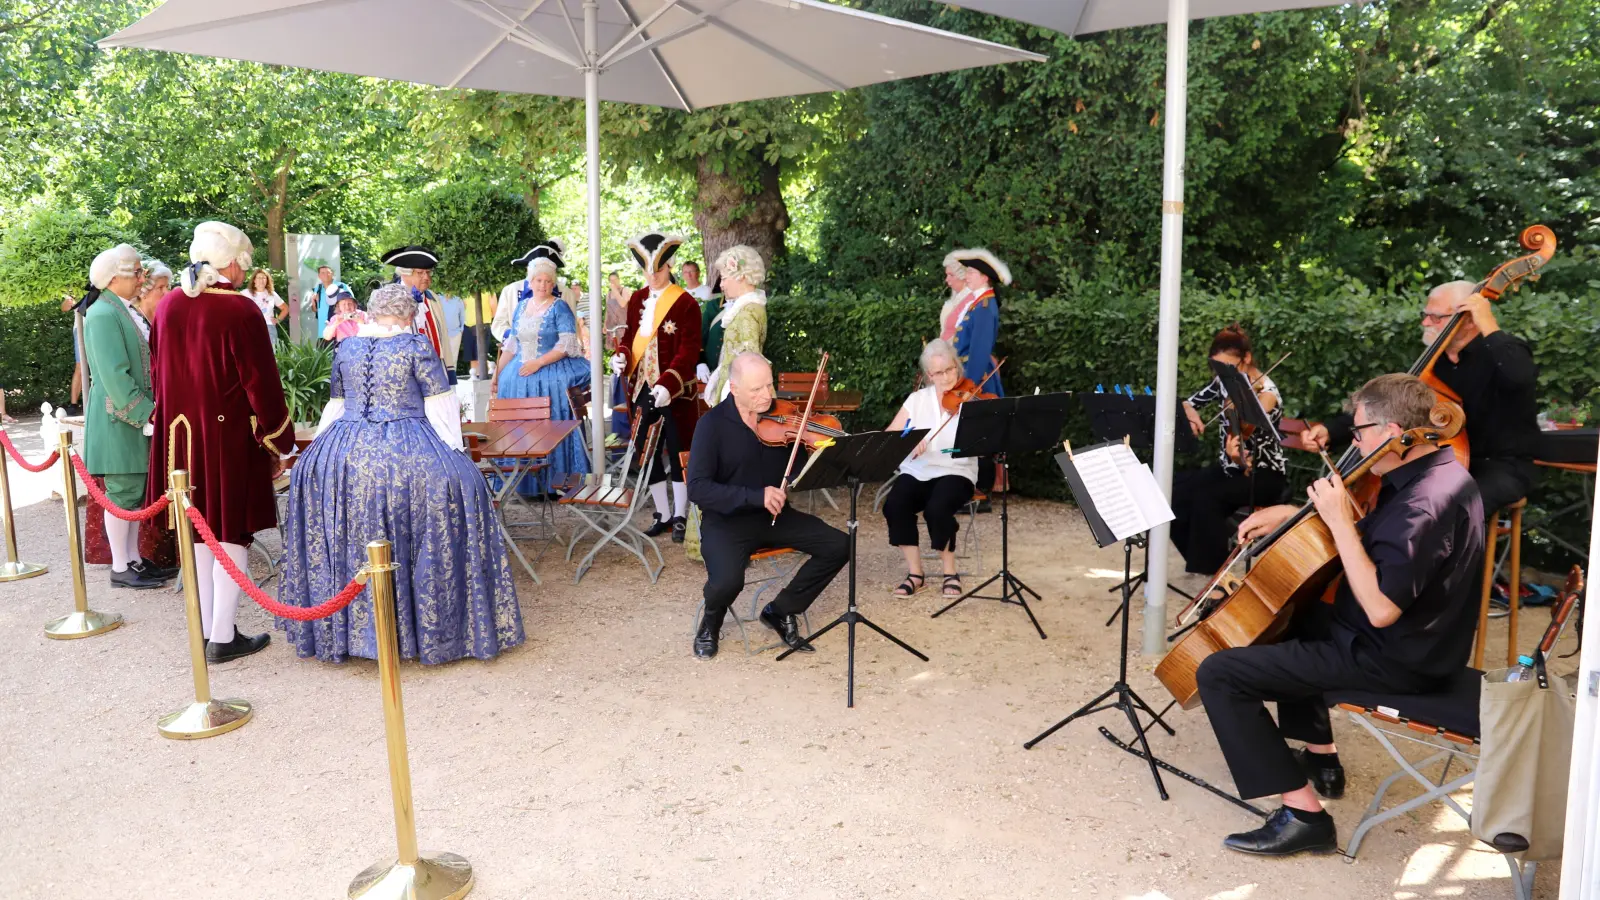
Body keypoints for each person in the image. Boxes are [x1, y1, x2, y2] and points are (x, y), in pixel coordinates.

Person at [1195, 373, 1484, 857]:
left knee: (1220, 674)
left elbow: (1381, 607)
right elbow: (1375, 536)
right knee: (1299, 614)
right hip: (1418, 644)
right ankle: (1322, 757)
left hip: (1396, 659)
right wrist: (1292, 512)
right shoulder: (1435, 472)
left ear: (1392, 432)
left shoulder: (1424, 504)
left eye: (1360, 431)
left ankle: (1305, 815)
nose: (1354, 442)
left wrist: (1335, 520)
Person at [278, 284, 524, 664]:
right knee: (462, 490)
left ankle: (348, 631)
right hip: (407, 445)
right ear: (410, 316)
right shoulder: (417, 347)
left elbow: (337, 405)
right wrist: (457, 456)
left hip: (344, 450)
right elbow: (442, 409)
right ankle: (429, 629)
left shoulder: (347, 347)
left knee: (348, 523)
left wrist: (319, 450)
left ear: (373, 313)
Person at [147, 221, 292, 664]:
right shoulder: (240, 310)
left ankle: (212, 627)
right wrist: (280, 437)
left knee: (196, 532)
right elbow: (261, 384)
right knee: (231, 532)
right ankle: (224, 635)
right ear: (232, 262)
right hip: (227, 437)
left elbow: (158, 373)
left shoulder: (169, 304)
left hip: (179, 436)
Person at [1301, 281, 1540, 519]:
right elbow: (1388, 407)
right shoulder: (1431, 366)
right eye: (1425, 315)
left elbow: (1520, 377)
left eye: (1436, 317)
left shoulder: (1502, 353)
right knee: (1395, 500)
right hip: (1441, 463)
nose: (1425, 323)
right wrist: (1331, 431)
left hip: (1499, 466)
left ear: (1468, 320)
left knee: (1449, 509)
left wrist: (1488, 323)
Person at [687, 352, 849, 659]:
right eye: (756, 390)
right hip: (727, 521)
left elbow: (799, 463)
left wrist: (820, 449)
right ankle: (711, 621)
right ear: (734, 388)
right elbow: (698, 488)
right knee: (727, 582)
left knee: (839, 545)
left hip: (775, 516)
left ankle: (781, 610)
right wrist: (755, 495)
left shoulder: (783, 417)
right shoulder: (712, 426)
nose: (767, 396)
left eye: (769, 386)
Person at [78, 243, 173, 589]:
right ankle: (121, 565)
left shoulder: (117, 309)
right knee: (121, 492)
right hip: (120, 420)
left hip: (128, 420)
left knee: (132, 493)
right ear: (114, 278)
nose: (141, 278)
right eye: (134, 273)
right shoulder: (103, 313)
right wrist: (148, 415)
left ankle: (132, 558)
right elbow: (115, 377)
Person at [1171, 325, 1287, 577]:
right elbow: (1187, 403)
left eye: (1229, 367)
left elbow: (1245, 436)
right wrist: (1191, 414)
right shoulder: (1225, 382)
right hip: (1229, 469)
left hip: (1262, 473)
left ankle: (1216, 575)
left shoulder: (1267, 394)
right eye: (1219, 368)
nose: (1223, 374)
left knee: (1206, 497)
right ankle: (1203, 560)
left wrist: (1239, 452)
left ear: (1246, 359)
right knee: (1173, 490)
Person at [611, 232, 702, 543]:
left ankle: (680, 513)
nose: (652, 276)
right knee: (645, 453)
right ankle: (662, 513)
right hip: (642, 389)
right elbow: (629, 340)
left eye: (659, 271)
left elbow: (688, 351)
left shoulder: (686, 302)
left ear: (669, 267)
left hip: (675, 391)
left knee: (678, 452)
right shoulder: (636, 299)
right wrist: (621, 357)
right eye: (647, 271)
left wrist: (668, 382)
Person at [684, 245, 769, 561]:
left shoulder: (748, 312)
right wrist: (719, 372)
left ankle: (727, 541)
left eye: (725, 276)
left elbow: (749, 364)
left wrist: (732, 399)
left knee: (724, 470)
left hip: (736, 401)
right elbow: (735, 356)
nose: (720, 284)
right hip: (728, 392)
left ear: (742, 276)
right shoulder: (745, 308)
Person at [491, 245, 592, 495]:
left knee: (552, 424)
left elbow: (567, 344)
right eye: (538, 280)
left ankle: (555, 480)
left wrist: (538, 363)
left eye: (548, 281)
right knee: (520, 427)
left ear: (553, 283)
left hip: (549, 371)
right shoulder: (521, 307)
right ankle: (524, 483)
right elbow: (512, 343)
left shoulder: (559, 307)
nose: (543, 284)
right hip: (518, 375)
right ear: (531, 281)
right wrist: (497, 374)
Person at [882, 340, 978, 599]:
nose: (946, 377)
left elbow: (983, 440)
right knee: (895, 505)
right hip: (919, 469)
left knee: (938, 508)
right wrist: (910, 441)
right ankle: (916, 574)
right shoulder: (917, 400)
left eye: (949, 370)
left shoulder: (970, 399)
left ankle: (950, 573)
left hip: (956, 469)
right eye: (938, 373)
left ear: (957, 367)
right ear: (929, 375)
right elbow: (890, 435)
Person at [946, 248, 1009, 508]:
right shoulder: (977, 301)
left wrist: (968, 386)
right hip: (968, 376)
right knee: (973, 435)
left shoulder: (985, 305)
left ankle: (980, 494)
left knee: (978, 436)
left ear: (984, 277)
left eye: (971, 272)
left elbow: (979, 351)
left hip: (977, 379)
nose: (967, 276)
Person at [381, 246, 448, 366]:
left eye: (428, 272)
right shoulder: (388, 299)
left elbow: (443, 337)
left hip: (435, 367)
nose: (426, 277)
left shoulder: (433, 299)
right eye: (420, 273)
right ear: (404, 274)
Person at [303, 265, 353, 339]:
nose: (326, 275)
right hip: (323, 332)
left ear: (332, 274)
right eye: (322, 273)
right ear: (319, 276)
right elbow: (315, 310)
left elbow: (353, 305)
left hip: (340, 331)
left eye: (328, 272)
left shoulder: (341, 286)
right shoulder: (318, 288)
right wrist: (313, 302)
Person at [241, 268, 288, 346]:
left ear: (267, 280)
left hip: (269, 327)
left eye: (264, 278)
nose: (261, 280)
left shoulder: (272, 294)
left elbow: (285, 308)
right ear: (254, 280)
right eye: (259, 278)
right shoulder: (245, 293)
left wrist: (278, 320)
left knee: (271, 353)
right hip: (251, 327)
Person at [937, 253, 971, 343]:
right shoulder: (954, 300)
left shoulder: (972, 301)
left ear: (963, 276)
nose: (947, 279)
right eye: (947, 275)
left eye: (951, 275)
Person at [438, 290, 467, 374]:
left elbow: (462, 317)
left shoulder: (458, 301)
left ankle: (452, 380)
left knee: (453, 358)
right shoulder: (438, 299)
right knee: (441, 358)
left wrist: (460, 330)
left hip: (455, 334)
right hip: (442, 334)